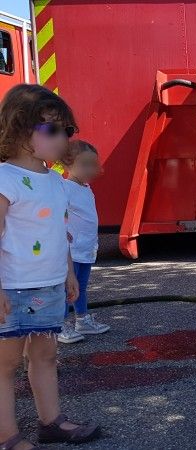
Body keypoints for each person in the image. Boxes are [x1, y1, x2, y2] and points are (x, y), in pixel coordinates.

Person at [0, 84, 100, 450]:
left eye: (67, 130)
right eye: (53, 129)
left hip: (49, 284)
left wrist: (69, 272)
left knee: (46, 354)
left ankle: (51, 421)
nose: (65, 139)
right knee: (5, 365)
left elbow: (60, 231)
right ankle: (7, 436)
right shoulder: (5, 178)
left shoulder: (56, 182)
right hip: (11, 288)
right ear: (19, 129)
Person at [57, 140, 110, 345]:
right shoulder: (65, 187)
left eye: (93, 164)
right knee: (66, 287)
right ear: (68, 163)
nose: (90, 169)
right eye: (84, 164)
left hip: (86, 248)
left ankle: (82, 320)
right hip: (72, 249)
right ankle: (59, 323)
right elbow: (58, 212)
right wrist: (63, 232)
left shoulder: (85, 187)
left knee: (82, 286)